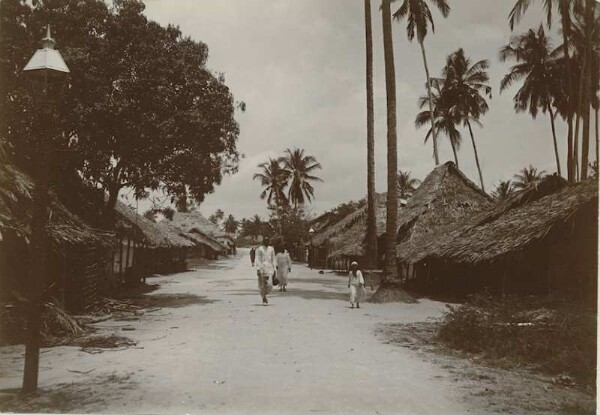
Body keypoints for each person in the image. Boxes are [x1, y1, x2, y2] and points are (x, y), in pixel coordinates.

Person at [255, 237, 275, 305]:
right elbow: (257, 259)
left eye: (268, 241)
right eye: (265, 241)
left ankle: (265, 294)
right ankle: (263, 298)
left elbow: (273, 259)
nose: (267, 242)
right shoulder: (259, 249)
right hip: (262, 269)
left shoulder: (271, 249)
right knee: (262, 285)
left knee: (270, 285)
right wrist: (258, 269)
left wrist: (274, 269)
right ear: (263, 241)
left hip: (270, 269)